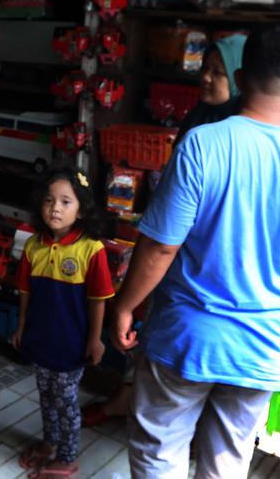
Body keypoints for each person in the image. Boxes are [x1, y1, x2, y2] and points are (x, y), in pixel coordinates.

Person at [110, 24, 280, 479]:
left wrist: (126, 305)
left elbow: (160, 247)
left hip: (186, 336)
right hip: (264, 344)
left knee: (159, 448)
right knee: (228, 460)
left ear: (240, 78)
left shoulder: (203, 144)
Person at [82, 32, 249, 430]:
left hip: (198, 258)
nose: (205, 78)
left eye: (217, 72)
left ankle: (155, 415)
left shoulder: (236, 131)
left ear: (241, 78)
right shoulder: (200, 117)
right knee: (153, 332)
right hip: (175, 247)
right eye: (203, 69)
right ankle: (130, 398)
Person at [12, 168, 115, 477]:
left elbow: (98, 300)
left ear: (81, 208)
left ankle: (68, 457)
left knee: (66, 402)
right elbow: (25, 293)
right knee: (45, 396)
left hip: (71, 343)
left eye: (66, 201)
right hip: (40, 338)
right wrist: (20, 327)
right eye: (49, 200)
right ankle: (50, 443)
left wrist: (95, 339)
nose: (55, 208)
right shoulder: (33, 246)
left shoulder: (91, 249)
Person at [176, 33, 247, 140]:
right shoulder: (196, 116)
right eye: (205, 68)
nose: (206, 77)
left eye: (217, 72)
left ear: (238, 78)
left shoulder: (244, 132)